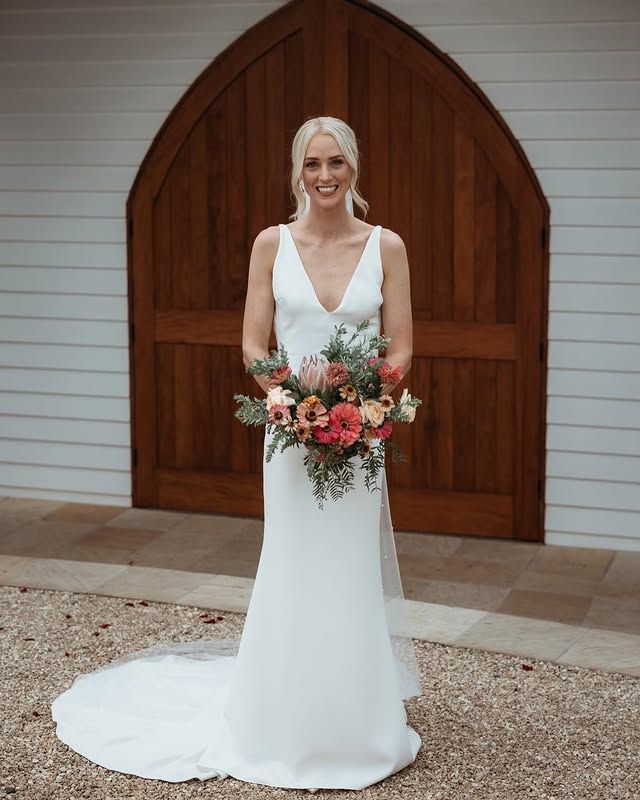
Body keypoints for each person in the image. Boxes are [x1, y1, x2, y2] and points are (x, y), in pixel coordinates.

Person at [51, 116, 422, 791]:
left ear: (354, 168)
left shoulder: (386, 245)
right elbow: (254, 343)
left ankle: (357, 720)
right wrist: (290, 400)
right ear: (297, 172)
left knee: (348, 568)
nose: (325, 176)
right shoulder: (270, 244)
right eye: (312, 164)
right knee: (291, 563)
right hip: (290, 435)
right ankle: (278, 718)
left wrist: (370, 405)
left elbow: (400, 347)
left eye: (336, 163)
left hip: (358, 438)